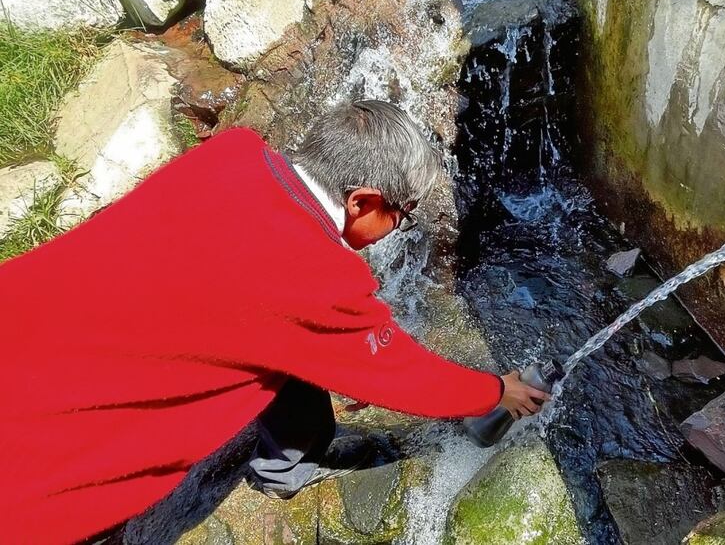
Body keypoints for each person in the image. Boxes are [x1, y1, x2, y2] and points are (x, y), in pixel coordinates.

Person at [0, 99, 550, 544]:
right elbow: (408, 376)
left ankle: (287, 464)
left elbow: (265, 318)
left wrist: (347, 362)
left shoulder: (232, 153)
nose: (399, 228)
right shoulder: (313, 279)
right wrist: (495, 390)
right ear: (362, 201)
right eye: (401, 216)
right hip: (35, 467)